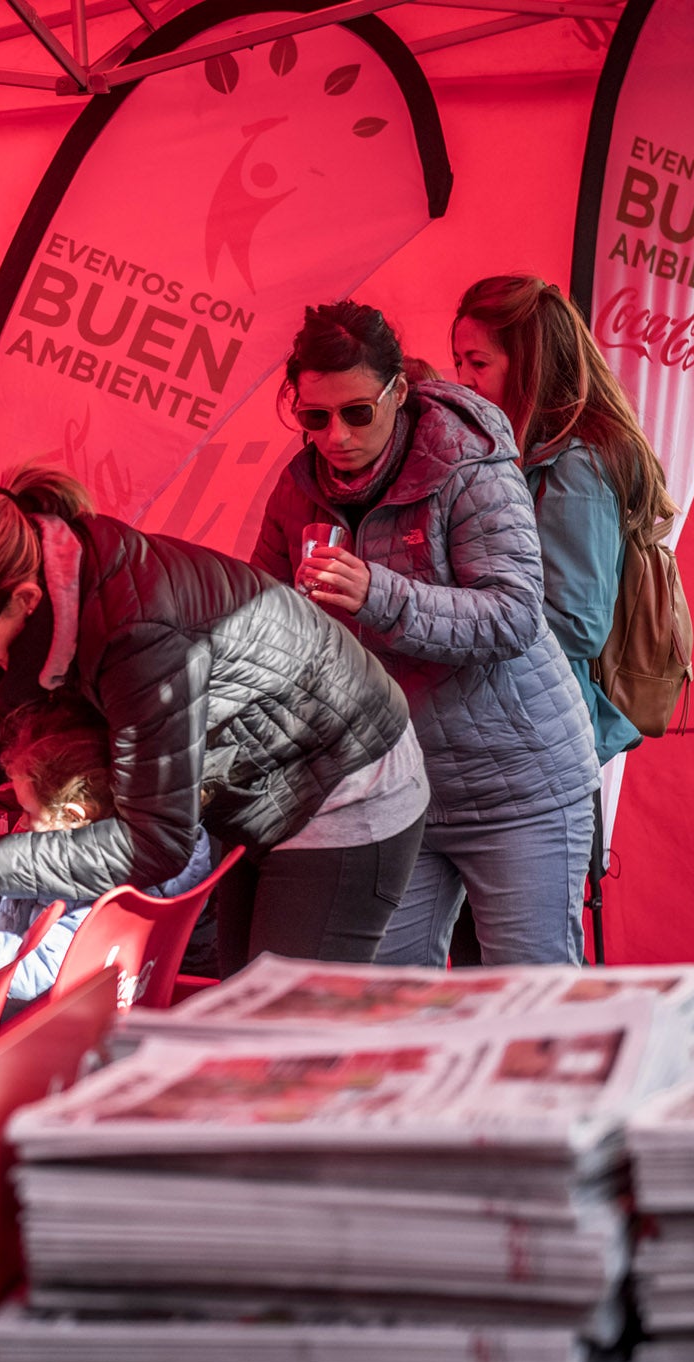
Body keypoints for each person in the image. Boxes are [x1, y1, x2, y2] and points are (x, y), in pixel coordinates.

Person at [0, 462, 426, 976]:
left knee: (284, 1034)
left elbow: (155, 842)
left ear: (24, 599)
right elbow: (18, 724)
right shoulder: (62, 588)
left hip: (348, 785)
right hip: (268, 790)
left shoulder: (137, 636)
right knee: (248, 1007)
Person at [252, 300, 599, 967]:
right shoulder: (296, 490)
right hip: (399, 794)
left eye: (358, 412)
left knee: (530, 1003)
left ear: (398, 392)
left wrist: (375, 593)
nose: (337, 436)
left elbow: (514, 614)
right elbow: (259, 615)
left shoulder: (467, 464)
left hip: (518, 783)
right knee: (390, 1007)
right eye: (314, 417)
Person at [452, 274, 675, 772]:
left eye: (479, 363)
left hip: (542, 737)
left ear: (531, 364)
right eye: (459, 361)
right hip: (512, 726)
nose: (463, 378)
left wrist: (453, 614)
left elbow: (578, 625)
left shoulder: (578, 461)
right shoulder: (519, 450)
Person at [0, 694, 212, 1000]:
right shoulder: (82, 849)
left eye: (29, 813)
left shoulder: (108, 892)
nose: (21, 825)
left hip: (48, 1019)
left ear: (76, 816)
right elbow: (8, 909)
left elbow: (37, 974)